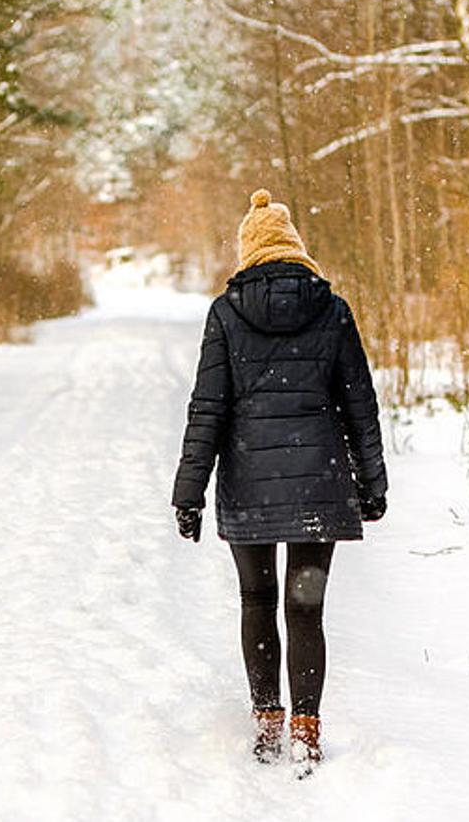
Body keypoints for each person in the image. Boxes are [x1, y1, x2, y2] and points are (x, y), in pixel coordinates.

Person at [171, 189, 387, 778]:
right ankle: (307, 731)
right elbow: (359, 406)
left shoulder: (225, 313)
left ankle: (268, 721)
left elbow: (207, 409)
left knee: (257, 599)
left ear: (248, 250)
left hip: (249, 484)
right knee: (306, 609)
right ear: (296, 249)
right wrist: (372, 484)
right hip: (319, 484)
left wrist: (188, 493)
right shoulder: (333, 310)